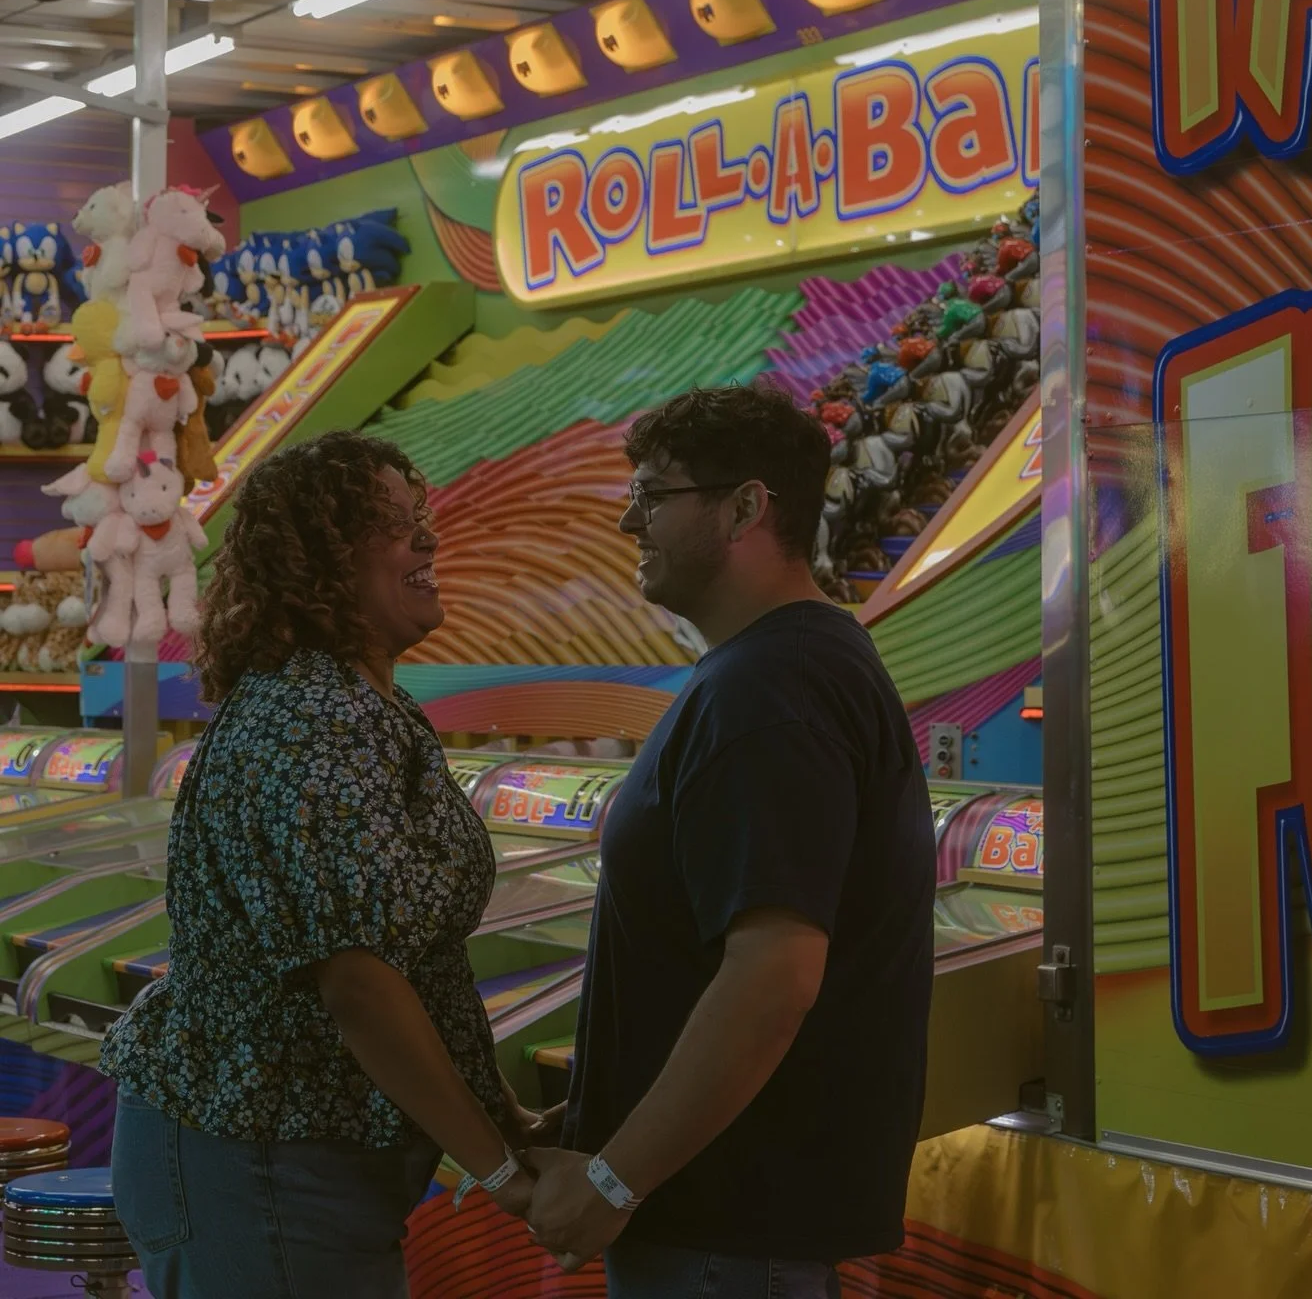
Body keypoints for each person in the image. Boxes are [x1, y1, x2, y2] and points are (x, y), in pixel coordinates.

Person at [103, 431, 539, 1298]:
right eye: (394, 526)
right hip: (255, 1162)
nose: (429, 542)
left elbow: (419, 967)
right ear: (319, 561)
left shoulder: (363, 704)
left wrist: (505, 1118)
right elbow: (361, 983)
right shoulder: (313, 720)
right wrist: (500, 1171)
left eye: (423, 519)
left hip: (290, 1165)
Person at [525, 383, 937, 1298]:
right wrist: (594, 1119)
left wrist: (613, 1177)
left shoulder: (772, 688)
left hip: (727, 1231)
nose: (632, 520)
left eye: (655, 494)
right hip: (719, 1220)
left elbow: (772, 976)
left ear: (748, 506)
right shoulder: (777, 670)